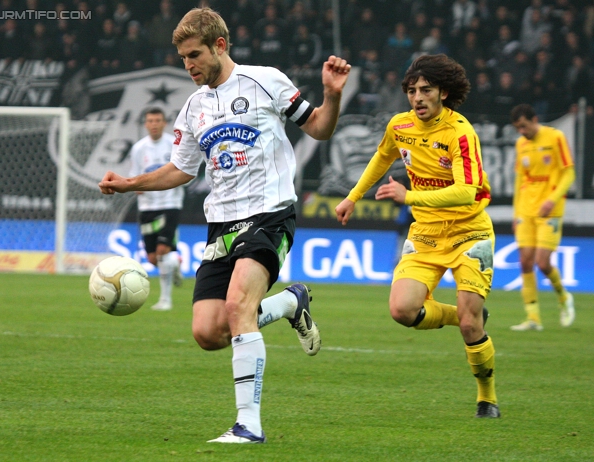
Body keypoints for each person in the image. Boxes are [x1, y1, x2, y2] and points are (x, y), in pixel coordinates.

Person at [99, 7, 351, 443]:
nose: (188, 65)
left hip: (270, 213)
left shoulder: (265, 80)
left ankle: (248, 425)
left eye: (194, 54)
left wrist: (332, 96)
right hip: (221, 225)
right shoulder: (194, 107)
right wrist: (129, 184)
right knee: (208, 332)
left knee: (238, 308)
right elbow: (180, 170)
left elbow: (320, 129)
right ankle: (291, 303)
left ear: (220, 45)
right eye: (182, 58)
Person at [335, 54, 500, 418]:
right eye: (412, 91)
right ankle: (464, 316)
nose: (417, 98)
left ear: (443, 92)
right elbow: (381, 158)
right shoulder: (400, 126)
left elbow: (467, 190)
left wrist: (408, 195)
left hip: (469, 233)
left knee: (473, 326)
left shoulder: (460, 132)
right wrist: (352, 196)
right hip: (425, 234)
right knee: (402, 309)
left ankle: (486, 397)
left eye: (425, 90)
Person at [509, 104, 576, 331]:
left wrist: (553, 199)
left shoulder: (556, 137)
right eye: (518, 128)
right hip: (526, 210)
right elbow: (520, 180)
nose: (522, 132)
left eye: (524, 126)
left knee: (542, 262)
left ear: (535, 119)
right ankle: (533, 318)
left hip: (550, 209)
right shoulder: (521, 144)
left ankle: (564, 297)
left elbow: (569, 172)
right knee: (525, 262)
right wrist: (516, 212)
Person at [129, 107, 184, 311]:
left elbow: (183, 172)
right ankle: (175, 264)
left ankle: (165, 300)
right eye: (150, 120)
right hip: (147, 207)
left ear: (164, 123)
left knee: (162, 251)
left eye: (158, 120)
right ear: (145, 124)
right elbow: (135, 176)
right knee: (153, 258)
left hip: (170, 204)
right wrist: (137, 188)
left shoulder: (174, 144)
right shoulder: (138, 149)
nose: (154, 124)